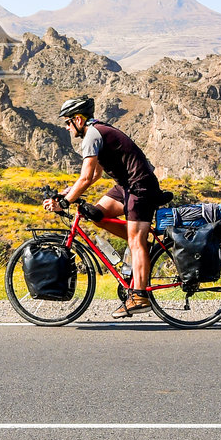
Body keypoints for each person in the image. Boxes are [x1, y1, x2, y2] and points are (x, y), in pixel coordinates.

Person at [43, 96, 164, 318]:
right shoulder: (96, 133)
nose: (67, 127)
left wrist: (65, 202)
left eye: (68, 122)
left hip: (140, 187)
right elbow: (95, 175)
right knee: (96, 214)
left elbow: (86, 177)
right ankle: (142, 245)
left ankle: (139, 296)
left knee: (136, 242)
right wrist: (69, 192)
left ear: (78, 119)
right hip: (126, 186)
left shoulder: (92, 135)